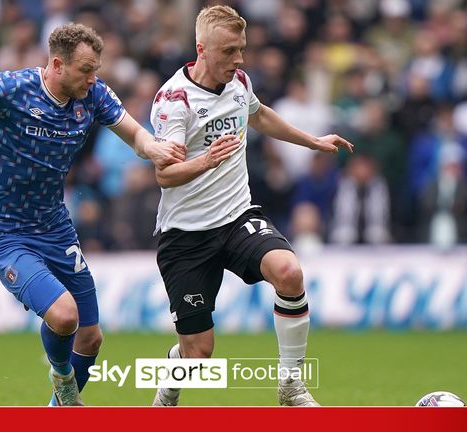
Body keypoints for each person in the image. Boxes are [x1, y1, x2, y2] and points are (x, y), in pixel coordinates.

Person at [0, 23, 186, 406]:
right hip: (4, 233)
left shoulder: (93, 95)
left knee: (91, 338)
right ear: (57, 64)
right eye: (85, 70)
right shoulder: (11, 89)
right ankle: (62, 380)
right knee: (63, 316)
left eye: (96, 70)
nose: (93, 79)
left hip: (55, 228)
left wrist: (155, 149)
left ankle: (57, 410)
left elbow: (137, 137)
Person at [149, 5, 353, 407]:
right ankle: (170, 380)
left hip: (236, 216)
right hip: (186, 234)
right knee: (199, 356)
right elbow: (164, 175)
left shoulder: (239, 82)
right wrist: (205, 160)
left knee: (289, 273)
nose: (238, 59)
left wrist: (312, 141)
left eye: (241, 49)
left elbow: (259, 116)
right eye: (228, 51)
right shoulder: (175, 102)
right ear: (201, 48)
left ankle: (291, 386)